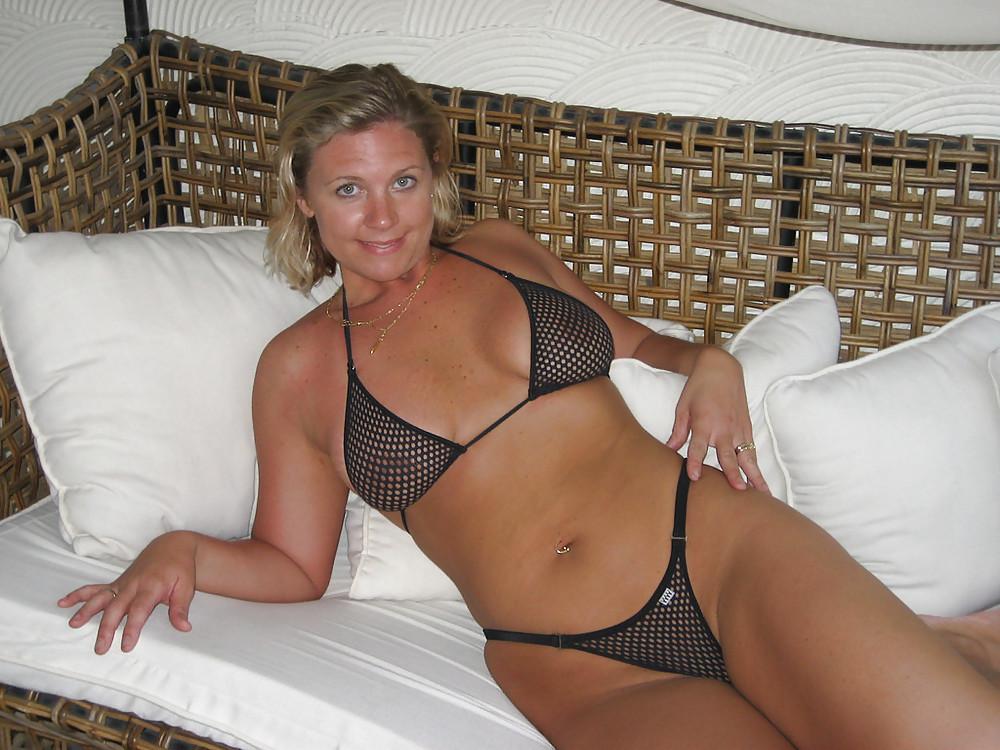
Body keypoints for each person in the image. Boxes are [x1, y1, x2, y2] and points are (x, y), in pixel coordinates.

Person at [60, 63, 1000, 749]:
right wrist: (183, 549)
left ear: (434, 177)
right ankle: (936, 643)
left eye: (403, 182)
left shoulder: (502, 253)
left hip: (719, 551)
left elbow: (642, 345)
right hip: (577, 663)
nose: (383, 218)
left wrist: (712, 362)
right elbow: (295, 564)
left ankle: (930, 647)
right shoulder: (297, 371)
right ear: (304, 199)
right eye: (349, 190)